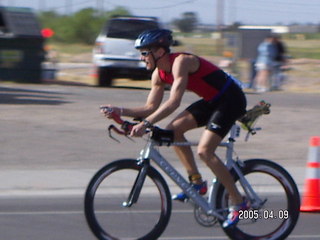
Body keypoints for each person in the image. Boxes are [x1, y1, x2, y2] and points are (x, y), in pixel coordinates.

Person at [101, 29, 248, 228]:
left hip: (231, 100)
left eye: (145, 52)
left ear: (160, 52)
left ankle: (239, 201)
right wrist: (118, 110)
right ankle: (197, 182)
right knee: (174, 132)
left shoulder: (181, 62)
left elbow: (174, 102)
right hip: (212, 101)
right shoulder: (158, 75)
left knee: (205, 151)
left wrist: (145, 124)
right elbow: (149, 108)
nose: (141, 57)